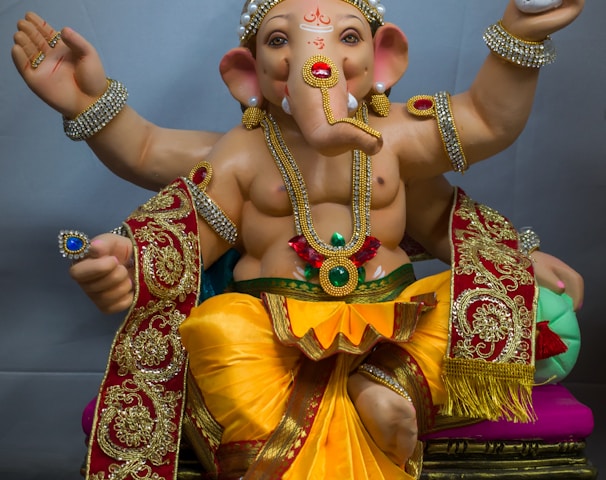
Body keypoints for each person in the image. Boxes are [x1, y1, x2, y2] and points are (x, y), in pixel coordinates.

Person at [12, 1, 584, 479]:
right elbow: (186, 227)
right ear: (246, 71)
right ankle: (322, 421)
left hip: (393, 322)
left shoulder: (399, 138)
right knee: (215, 329)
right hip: (273, 334)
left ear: (385, 59)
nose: (318, 61)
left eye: (348, 37)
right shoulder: (240, 154)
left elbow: (484, 122)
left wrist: (520, 33)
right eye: (282, 40)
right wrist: (133, 261)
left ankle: (390, 385)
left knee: (495, 308)